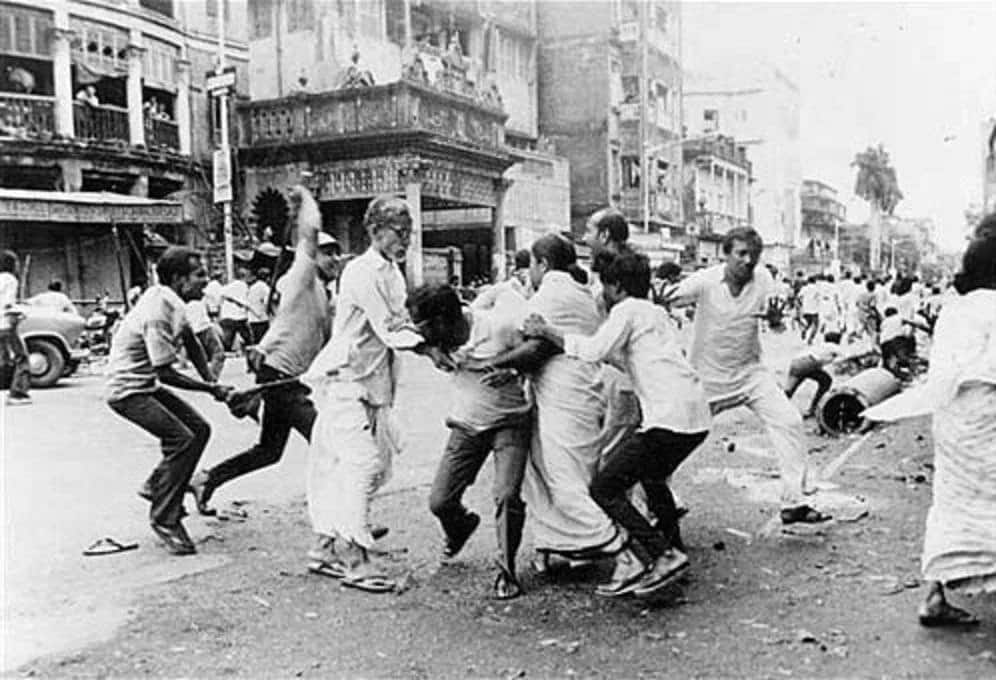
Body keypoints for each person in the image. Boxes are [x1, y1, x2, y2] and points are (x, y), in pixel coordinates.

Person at [524, 251, 710, 597]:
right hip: (696, 418)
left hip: (668, 419)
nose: (602, 293)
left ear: (617, 287)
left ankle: (660, 554)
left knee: (605, 487)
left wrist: (548, 331)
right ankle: (674, 552)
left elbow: (594, 350)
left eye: (605, 286)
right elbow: (624, 357)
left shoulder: (626, 311)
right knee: (653, 479)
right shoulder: (655, 313)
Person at [303, 191, 431, 593]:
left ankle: (325, 547)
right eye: (398, 232)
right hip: (346, 382)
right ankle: (355, 559)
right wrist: (437, 347)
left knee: (369, 469)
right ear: (375, 231)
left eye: (409, 232)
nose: (405, 240)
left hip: (374, 385)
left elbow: (401, 322)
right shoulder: (360, 272)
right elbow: (390, 330)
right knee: (361, 465)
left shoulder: (392, 273)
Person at [665, 227, 830, 525]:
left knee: (789, 421)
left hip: (751, 374)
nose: (747, 261)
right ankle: (660, 496)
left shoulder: (764, 278)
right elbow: (665, 300)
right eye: (741, 254)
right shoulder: (704, 281)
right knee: (676, 435)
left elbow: (776, 324)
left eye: (753, 255)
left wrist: (777, 322)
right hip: (707, 379)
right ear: (725, 254)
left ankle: (795, 501)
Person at [482, 234, 625, 566]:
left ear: (542, 264)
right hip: (584, 392)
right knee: (568, 472)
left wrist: (495, 363)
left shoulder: (549, 294)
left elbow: (537, 347)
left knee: (562, 481)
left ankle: (619, 544)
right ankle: (564, 543)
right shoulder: (583, 294)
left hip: (563, 395)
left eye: (532, 264)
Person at [188, 207, 342, 516]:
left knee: (269, 451)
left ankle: (206, 479)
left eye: (338, 254)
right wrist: (307, 205)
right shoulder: (302, 281)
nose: (335, 259)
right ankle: (343, 515)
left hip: (287, 377)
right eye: (327, 254)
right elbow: (306, 247)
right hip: (280, 378)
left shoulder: (324, 294)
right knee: (329, 446)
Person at [105, 247, 233, 555]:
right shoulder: (158, 309)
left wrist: (211, 379)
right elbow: (166, 372)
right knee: (181, 439)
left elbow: (191, 341)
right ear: (179, 279)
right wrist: (211, 390)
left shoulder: (174, 301)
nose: (206, 280)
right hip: (128, 391)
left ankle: (157, 485)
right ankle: (164, 517)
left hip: (144, 384)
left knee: (199, 430)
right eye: (199, 275)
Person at [411, 283, 532, 600]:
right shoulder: (436, 337)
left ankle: (507, 570)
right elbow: (397, 335)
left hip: (509, 421)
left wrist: (513, 367)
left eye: (426, 330)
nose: (421, 334)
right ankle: (461, 527)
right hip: (466, 424)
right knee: (440, 501)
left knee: (506, 494)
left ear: (443, 320)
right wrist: (429, 350)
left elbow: (537, 352)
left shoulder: (498, 328)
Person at [915, 228, 996, 627]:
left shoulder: (954, 309)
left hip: (951, 419)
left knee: (951, 502)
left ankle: (934, 595)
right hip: (988, 419)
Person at [784, 331, 846, 418]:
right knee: (826, 381)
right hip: (809, 363)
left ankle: (777, 407)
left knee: (790, 389)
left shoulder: (820, 345)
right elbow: (846, 356)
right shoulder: (833, 346)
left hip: (796, 362)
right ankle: (812, 409)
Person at [1, 250, 31, 405]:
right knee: (22, 358)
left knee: (4, 358)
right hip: (6, 323)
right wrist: (19, 312)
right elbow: (7, 303)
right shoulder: (10, 279)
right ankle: (18, 394)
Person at [185, 297, 225, 381]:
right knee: (218, 352)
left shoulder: (184, 306)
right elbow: (211, 313)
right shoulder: (199, 304)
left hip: (193, 330)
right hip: (205, 328)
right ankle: (212, 376)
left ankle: (208, 377)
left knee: (200, 357)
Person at [218, 264, 253, 353]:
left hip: (227, 315)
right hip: (239, 316)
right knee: (248, 338)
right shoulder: (243, 286)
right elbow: (246, 301)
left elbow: (221, 294)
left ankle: (225, 352)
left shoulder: (229, 286)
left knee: (227, 339)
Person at [246, 267, 272, 344]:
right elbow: (267, 302)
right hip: (262, 319)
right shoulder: (265, 288)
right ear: (266, 277)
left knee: (256, 342)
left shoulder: (252, 287)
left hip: (252, 318)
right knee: (264, 342)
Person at [798, 276, 821, 344]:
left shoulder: (804, 288)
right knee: (816, 325)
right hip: (814, 309)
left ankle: (804, 330)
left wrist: (801, 304)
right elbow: (819, 298)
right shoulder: (817, 289)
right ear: (815, 281)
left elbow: (799, 297)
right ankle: (810, 339)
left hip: (806, 309)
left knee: (808, 323)